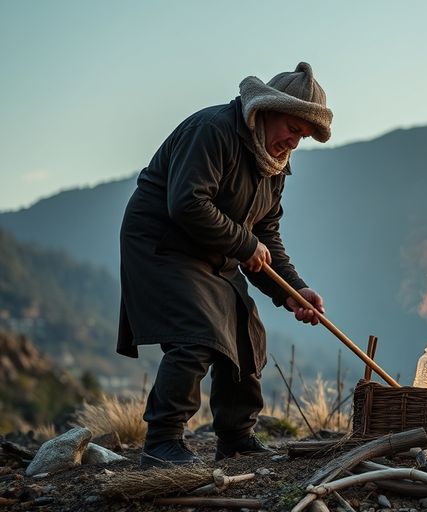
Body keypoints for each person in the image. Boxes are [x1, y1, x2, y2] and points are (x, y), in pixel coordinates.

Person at [117, 62, 332, 468]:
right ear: (266, 110)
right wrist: (243, 243)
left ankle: (235, 438)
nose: (293, 143)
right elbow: (186, 202)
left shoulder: (275, 164)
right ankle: (162, 442)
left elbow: (266, 232)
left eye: (302, 136)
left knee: (245, 333)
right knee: (198, 333)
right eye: (291, 128)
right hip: (163, 243)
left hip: (216, 250)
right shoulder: (214, 130)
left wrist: (293, 291)